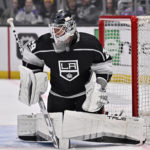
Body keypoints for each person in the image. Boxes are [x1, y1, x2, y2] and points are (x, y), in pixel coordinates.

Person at [19, 10, 112, 114]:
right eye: (54, 30)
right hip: (57, 98)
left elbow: (105, 66)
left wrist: (100, 86)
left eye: (60, 30)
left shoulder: (90, 44)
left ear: (70, 28)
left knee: (90, 130)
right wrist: (34, 77)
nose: (55, 34)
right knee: (58, 130)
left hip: (85, 97)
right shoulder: (45, 44)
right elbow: (30, 57)